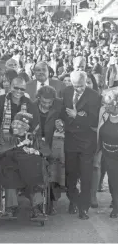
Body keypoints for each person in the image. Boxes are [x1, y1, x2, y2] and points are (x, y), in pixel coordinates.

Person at [0, 111, 51, 221]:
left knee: (35, 176)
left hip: (30, 170)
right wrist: (18, 144)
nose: (15, 127)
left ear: (26, 127)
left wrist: (35, 151)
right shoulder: (6, 138)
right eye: (14, 124)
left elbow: (47, 151)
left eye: (19, 125)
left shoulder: (34, 139)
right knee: (9, 176)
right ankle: (10, 208)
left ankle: (37, 208)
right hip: (11, 169)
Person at [59, 70, 101, 220]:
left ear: (86, 81)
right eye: (76, 86)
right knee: (71, 174)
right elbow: (62, 112)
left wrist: (77, 116)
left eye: (81, 86)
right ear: (71, 83)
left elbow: (94, 120)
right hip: (70, 139)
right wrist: (60, 121)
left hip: (86, 141)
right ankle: (73, 200)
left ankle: (84, 207)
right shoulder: (65, 92)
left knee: (85, 175)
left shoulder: (94, 96)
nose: (79, 89)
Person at [34, 86, 64, 215]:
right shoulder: (32, 106)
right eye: (44, 102)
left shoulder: (58, 107)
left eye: (49, 102)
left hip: (52, 143)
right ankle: (37, 200)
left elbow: (64, 122)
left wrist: (62, 124)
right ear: (39, 98)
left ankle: (52, 200)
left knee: (53, 170)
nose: (46, 105)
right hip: (36, 143)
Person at [94, 88, 118, 218]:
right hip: (107, 152)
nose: (105, 106)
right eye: (105, 103)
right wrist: (97, 151)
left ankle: (116, 205)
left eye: (109, 104)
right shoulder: (104, 112)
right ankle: (115, 203)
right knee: (113, 181)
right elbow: (99, 131)